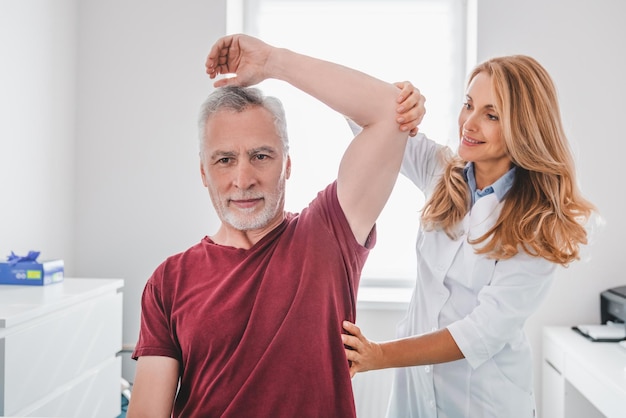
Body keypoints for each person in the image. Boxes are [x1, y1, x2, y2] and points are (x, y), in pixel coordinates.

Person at [126, 33, 425, 418]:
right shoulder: (168, 281)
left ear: (287, 164)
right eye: (225, 160)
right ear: (204, 172)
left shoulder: (328, 235)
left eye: (261, 155)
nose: (243, 178)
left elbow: (388, 109)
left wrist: (273, 62)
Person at [342, 55, 596, 418]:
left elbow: (480, 332)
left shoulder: (538, 224)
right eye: (468, 105)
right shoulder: (442, 171)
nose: (469, 123)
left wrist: (380, 355)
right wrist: (397, 101)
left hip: (486, 402)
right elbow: (362, 117)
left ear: (523, 128)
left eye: (491, 115)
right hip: (414, 396)